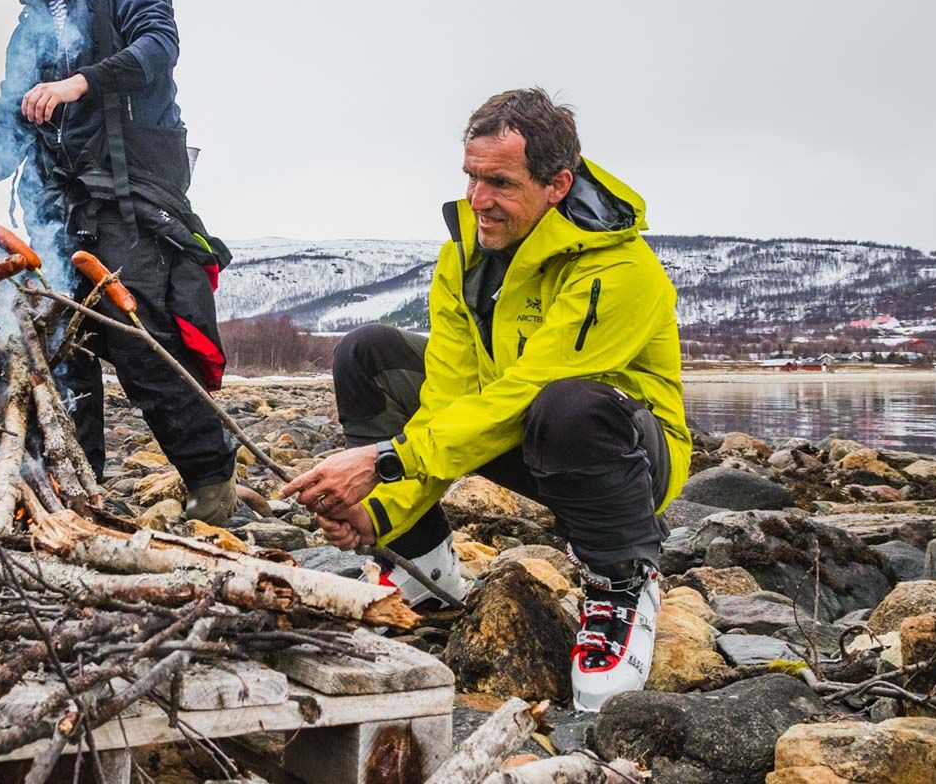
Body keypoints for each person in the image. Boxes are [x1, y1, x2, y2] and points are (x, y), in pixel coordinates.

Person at [281, 89, 690, 711]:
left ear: (557, 184)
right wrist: (380, 512)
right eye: (471, 178)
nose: (477, 201)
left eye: (499, 182)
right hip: (523, 434)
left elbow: (525, 391)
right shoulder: (465, 260)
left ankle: (622, 580)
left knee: (568, 403)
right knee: (369, 354)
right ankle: (422, 561)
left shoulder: (620, 269)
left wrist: (384, 461)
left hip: (626, 458)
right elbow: (447, 398)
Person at [0, 0, 239, 523]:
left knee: (141, 341)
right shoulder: (27, 29)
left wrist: (77, 82)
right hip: (54, 210)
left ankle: (211, 480)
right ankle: (76, 488)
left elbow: (157, 50)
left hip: (130, 201)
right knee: (65, 349)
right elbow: (9, 121)